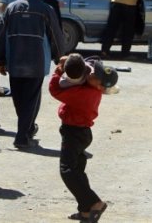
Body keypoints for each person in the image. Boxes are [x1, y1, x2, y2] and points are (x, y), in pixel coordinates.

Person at [0, 0, 65, 149]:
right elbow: (56, 35)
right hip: (36, 62)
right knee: (31, 100)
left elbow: (0, 35)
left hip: (15, 62)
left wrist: (0, 59)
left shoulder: (12, 9)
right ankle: (22, 135)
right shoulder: (45, 10)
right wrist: (60, 58)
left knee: (19, 99)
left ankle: (26, 129)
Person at [49, 54, 116, 222]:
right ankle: (85, 210)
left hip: (75, 134)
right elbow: (86, 65)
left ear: (101, 87)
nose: (92, 74)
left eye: (96, 76)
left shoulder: (85, 94)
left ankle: (95, 203)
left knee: (67, 171)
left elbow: (55, 90)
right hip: (80, 133)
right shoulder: (89, 86)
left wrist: (58, 70)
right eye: (95, 72)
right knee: (77, 171)